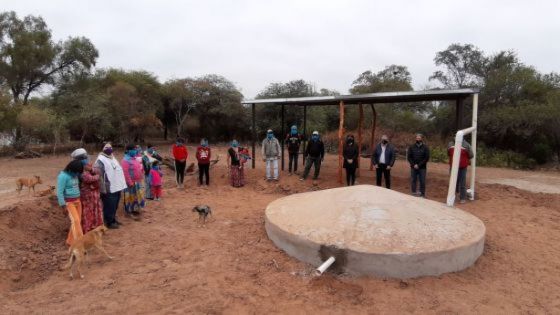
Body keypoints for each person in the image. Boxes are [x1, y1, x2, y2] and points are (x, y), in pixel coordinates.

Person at [95, 143, 127, 229]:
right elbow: (99, 176)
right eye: (107, 147)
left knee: (115, 205)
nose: (109, 148)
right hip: (108, 188)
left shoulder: (113, 158)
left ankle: (113, 219)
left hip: (117, 186)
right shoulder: (100, 160)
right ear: (103, 149)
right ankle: (109, 222)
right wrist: (102, 189)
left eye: (110, 147)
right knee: (109, 206)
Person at [57, 160, 84, 246]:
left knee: (77, 221)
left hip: (78, 201)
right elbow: (59, 192)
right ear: (71, 169)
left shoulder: (75, 175)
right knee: (75, 221)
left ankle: (70, 241)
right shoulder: (63, 176)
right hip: (69, 203)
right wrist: (63, 206)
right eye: (76, 172)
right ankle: (80, 243)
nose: (77, 175)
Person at [79, 158, 104, 233]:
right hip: (88, 197)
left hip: (95, 195)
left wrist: (93, 172)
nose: (90, 165)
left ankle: (96, 227)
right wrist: (97, 176)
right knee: (88, 212)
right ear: (83, 166)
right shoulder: (83, 174)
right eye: (87, 164)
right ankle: (88, 229)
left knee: (95, 210)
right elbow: (91, 179)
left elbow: (98, 172)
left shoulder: (90, 171)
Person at [121, 144, 145, 217]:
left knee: (136, 196)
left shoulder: (134, 158)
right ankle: (128, 212)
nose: (135, 151)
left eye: (135, 149)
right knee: (130, 197)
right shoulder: (125, 160)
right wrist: (130, 182)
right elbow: (125, 173)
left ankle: (135, 209)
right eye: (133, 150)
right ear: (128, 151)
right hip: (130, 183)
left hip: (137, 182)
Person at [448, 139, 474, 204]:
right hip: (453, 166)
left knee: (462, 182)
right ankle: (452, 196)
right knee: (453, 182)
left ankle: (462, 198)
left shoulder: (466, 144)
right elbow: (448, 153)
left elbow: (471, 155)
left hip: (463, 167)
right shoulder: (450, 143)